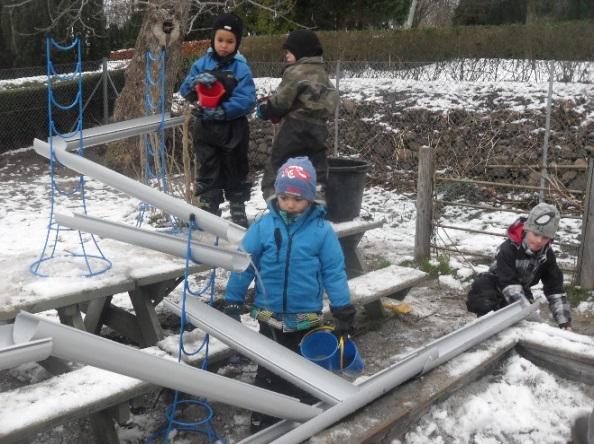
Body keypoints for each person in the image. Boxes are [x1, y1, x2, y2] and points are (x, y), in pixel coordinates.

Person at [222, 156, 356, 432]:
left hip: (305, 313)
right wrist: (233, 299)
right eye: (284, 197)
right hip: (268, 312)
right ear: (277, 196)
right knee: (270, 367)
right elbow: (243, 263)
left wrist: (343, 308)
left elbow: (334, 271)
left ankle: (308, 411)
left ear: (310, 198)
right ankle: (265, 416)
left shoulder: (321, 231)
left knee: (304, 366)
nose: (290, 204)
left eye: (297, 198)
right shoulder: (263, 227)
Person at [178, 13, 256, 227]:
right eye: (220, 40)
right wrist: (194, 83)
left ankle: (238, 209)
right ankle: (208, 209)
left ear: (237, 43)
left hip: (234, 130)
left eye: (230, 41)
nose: (224, 45)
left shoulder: (241, 68)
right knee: (207, 169)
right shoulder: (201, 65)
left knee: (236, 170)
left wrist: (223, 111)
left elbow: (247, 99)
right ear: (213, 39)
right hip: (206, 128)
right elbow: (185, 91)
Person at [256, 29, 339, 203]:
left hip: (294, 126)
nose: (286, 56)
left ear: (301, 51)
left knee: (279, 159)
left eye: (289, 52)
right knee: (316, 160)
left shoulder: (295, 72)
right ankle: (317, 192)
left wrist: (266, 109)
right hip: (318, 128)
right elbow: (333, 97)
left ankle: (273, 194)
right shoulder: (323, 73)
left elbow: (281, 101)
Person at [466, 202, 571, 329]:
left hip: (521, 289)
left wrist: (564, 322)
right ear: (527, 229)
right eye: (536, 234)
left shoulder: (547, 256)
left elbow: (555, 289)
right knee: (483, 293)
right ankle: (484, 326)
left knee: (524, 321)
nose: (539, 241)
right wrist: (527, 312)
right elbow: (508, 283)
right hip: (496, 283)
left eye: (545, 238)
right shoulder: (508, 249)